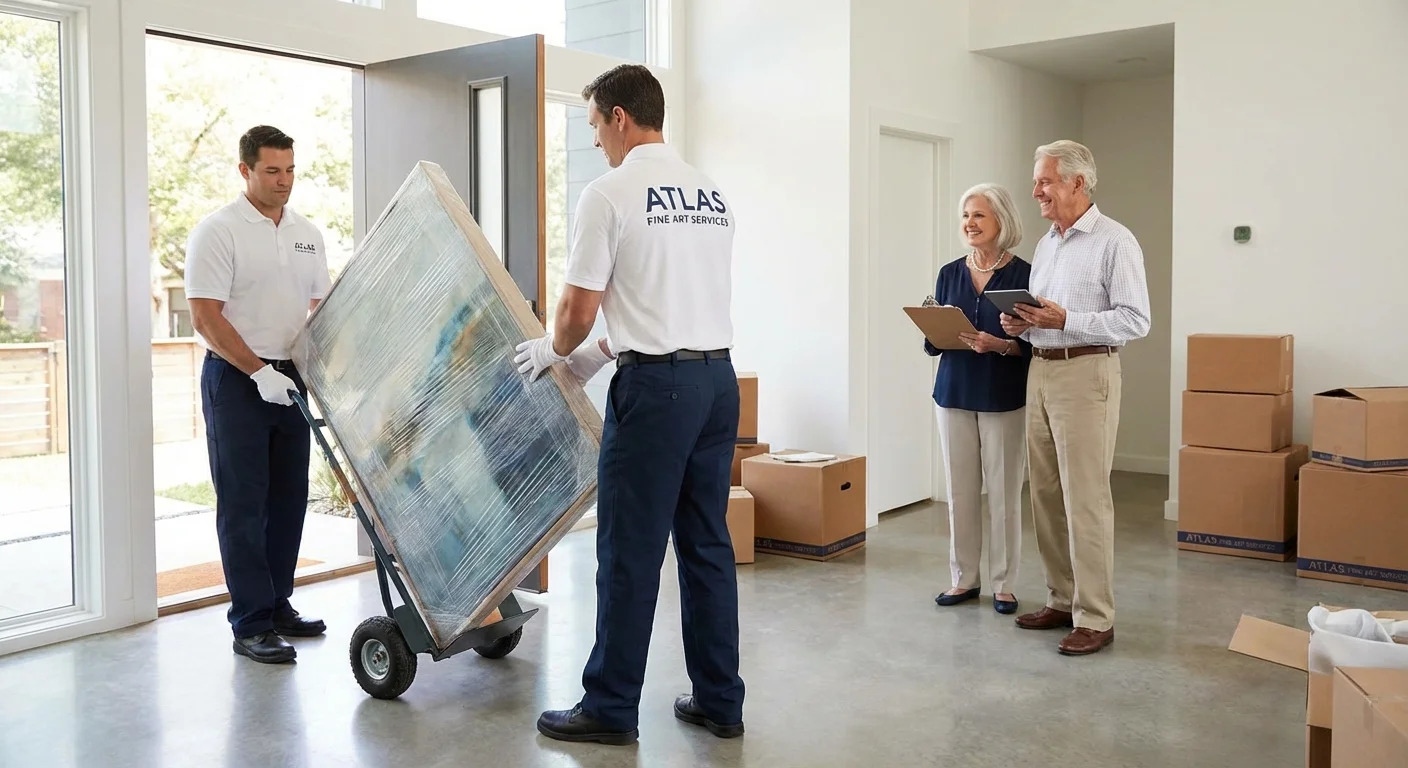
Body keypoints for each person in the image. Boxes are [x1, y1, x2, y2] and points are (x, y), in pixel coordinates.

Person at [512, 64, 745, 745]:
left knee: (627, 551)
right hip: (716, 383)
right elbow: (669, 297)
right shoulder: (711, 192)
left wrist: (558, 349)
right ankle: (720, 700)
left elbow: (577, 307)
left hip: (657, 393)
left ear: (619, 118)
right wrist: (604, 350)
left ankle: (609, 707)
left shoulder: (610, 193)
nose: (594, 141)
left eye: (593, 125)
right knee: (705, 543)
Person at [185, 125, 332, 665]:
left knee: (289, 498)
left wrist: (314, 370)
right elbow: (206, 316)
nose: (283, 181)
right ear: (244, 170)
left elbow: (320, 307)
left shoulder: (307, 232)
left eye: (290, 170)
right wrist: (257, 372)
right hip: (236, 380)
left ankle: (277, 604)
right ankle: (249, 622)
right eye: (272, 171)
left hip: (292, 379)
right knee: (244, 504)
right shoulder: (218, 231)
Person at [999, 139, 1151, 656]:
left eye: (1044, 180)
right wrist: (1019, 323)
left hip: (1088, 373)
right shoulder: (1047, 245)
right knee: (1043, 494)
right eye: (1037, 180)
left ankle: (1096, 616)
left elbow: (1136, 319)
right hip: (1040, 371)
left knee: (1084, 498)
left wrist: (1067, 320)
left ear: (1077, 183)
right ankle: (1062, 599)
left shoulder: (1116, 242)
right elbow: (1042, 316)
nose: (1036, 190)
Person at [924, 183, 1031, 616]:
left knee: (1004, 494)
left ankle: (1004, 585)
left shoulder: (1025, 274)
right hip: (953, 392)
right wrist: (934, 330)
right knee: (960, 492)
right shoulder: (950, 273)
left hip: (1002, 395)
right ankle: (963, 578)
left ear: (1001, 220)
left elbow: (1034, 343)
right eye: (966, 215)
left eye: (979, 215)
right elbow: (935, 343)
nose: (969, 223)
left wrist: (1000, 344)